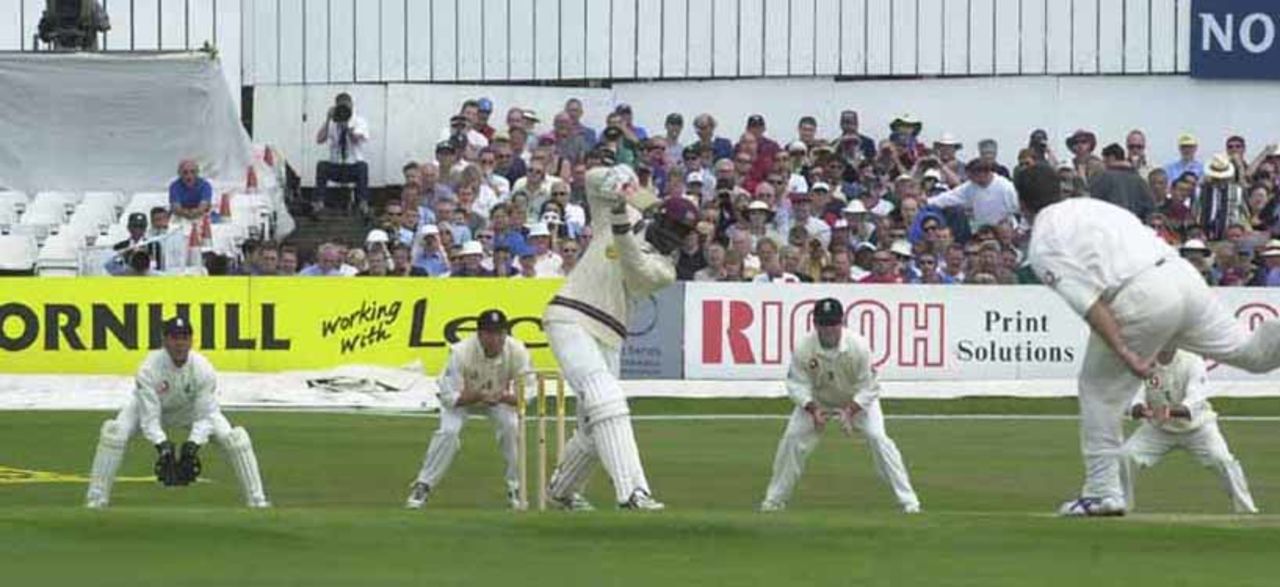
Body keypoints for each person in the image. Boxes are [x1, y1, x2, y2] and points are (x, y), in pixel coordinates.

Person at [1016, 164, 1280, 517]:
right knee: (1254, 355)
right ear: (1061, 187)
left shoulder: (1043, 241)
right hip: (1181, 275)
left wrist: (1124, 350)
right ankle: (1101, 493)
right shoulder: (1095, 206)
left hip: (1139, 295)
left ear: (1021, 204)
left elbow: (1090, 303)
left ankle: (1101, 493)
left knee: (1098, 391)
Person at [541, 165, 698, 511]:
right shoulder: (622, 212)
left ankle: (561, 492)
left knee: (596, 423)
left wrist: (620, 220)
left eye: (682, 232)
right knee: (606, 398)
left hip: (610, 334)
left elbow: (633, 266)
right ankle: (633, 493)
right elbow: (590, 181)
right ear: (661, 220)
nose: (674, 236)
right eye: (673, 227)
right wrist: (615, 179)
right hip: (570, 315)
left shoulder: (664, 270)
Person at [85, 317, 269, 509]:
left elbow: (205, 415)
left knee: (236, 439)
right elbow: (150, 418)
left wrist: (193, 445)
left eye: (185, 337)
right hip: (152, 408)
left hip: (191, 411)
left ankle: (257, 501)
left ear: (191, 341)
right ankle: (96, 500)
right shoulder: (148, 369)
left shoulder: (203, 368)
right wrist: (162, 445)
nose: (180, 343)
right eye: (174, 338)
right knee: (114, 433)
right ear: (165, 341)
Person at [759, 298, 921, 513]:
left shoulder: (858, 346)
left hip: (856, 401)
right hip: (818, 400)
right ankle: (774, 500)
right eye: (824, 324)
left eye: (833, 323)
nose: (828, 329)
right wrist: (812, 409)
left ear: (842, 322)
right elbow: (797, 384)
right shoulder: (803, 347)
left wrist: (850, 410)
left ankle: (909, 502)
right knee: (792, 439)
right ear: (815, 323)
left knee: (878, 438)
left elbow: (870, 387)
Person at [405, 310, 534, 510]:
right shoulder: (460, 352)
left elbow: (527, 394)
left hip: (498, 399)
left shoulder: (517, 351)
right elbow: (450, 398)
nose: (497, 339)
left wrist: (503, 397)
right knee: (448, 432)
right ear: (480, 334)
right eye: (491, 334)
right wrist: (479, 395)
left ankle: (516, 487)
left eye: (500, 333)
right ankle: (423, 485)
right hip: (464, 399)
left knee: (512, 427)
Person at [1121, 350, 1258, 514]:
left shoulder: (1192, 362)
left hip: (1198, 428)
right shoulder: (1144, 362)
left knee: (1223, 460)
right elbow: (1135, 399)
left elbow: (1195, 400)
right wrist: (1139, 409)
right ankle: (1121, 506)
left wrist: (1168, 412)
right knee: (1125, 456)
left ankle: (1247, 511)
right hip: (1159, 429)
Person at [314, 92, 371, 216]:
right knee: (321, 166)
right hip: (336, 165)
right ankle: (319, 202)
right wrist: (328, 119)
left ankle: (362, 202)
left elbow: (357, 139)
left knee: (363, 167)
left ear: (351, 106)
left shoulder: (359, 121)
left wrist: (348, 128)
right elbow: (319, 139)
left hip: (353, 165)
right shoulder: (333, 123)